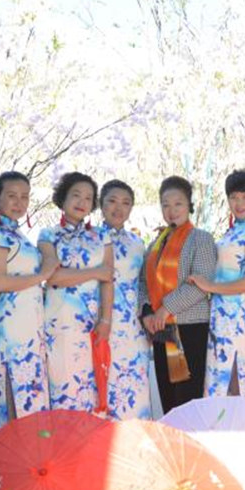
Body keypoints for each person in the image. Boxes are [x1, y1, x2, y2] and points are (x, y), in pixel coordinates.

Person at [0, 171, 56, 424]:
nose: (19, 202)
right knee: (14, 399)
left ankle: (29, 448)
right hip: (10, 327)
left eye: (25, 197)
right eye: (12, 196)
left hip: (29, 326)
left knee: (31, 400)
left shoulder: (16, 233)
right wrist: (42, 275)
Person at [139, 176, 217, 413]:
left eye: (178, 204)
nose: (171, 211)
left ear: (189, 204)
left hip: (189, 328)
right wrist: (147, 311)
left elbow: (201, 283)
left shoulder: (201, 239)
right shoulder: (157, 243)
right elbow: (143, 281)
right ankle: (171, 437)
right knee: (169, 398)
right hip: (162, 329)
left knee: (187, 399)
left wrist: (166, 309)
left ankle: (188, 438)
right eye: (166, 205)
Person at [191, 169, 245, 398]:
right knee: (218, 381)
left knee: (236, 381)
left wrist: (210, 287)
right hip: (220, 316)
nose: (239, 203)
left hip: (240, 317)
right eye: (234, 197)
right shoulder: (234, 230)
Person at [38, 172, 113, 412]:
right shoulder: (48, 235)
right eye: (76, 195)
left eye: (88, 198)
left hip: (92, 324)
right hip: (59, 323)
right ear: (63, 198)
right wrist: (95, 272)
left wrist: (106, 320)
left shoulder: (102, 236)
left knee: (91, 391)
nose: (82, 202)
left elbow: (108, 279)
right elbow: (53, 277)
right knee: (62, 388)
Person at [96, 179, 152, 420]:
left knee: (134, 393)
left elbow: (144, 283)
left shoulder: (138, 243)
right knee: (102, 390)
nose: (118, 208)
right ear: (101, 204)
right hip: (100, 324)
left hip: (132, 329)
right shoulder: (91, 238)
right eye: (112, 201)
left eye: (126, 203)